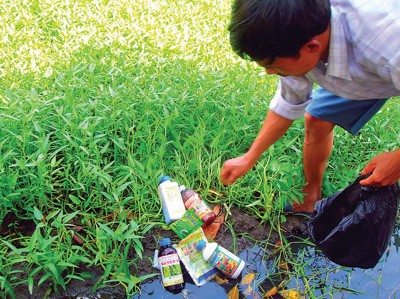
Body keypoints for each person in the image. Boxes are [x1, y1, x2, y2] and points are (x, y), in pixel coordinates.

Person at [220, 0, 400, 214]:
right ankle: (310, 198)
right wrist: (250, 156)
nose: (270, 73)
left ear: (312, 47)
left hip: (383, 63)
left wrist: (397, 160)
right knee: (317, 120)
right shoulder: (295, 34)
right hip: (363, 76)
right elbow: (288, 102)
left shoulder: (386, 39)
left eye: (273, 66)